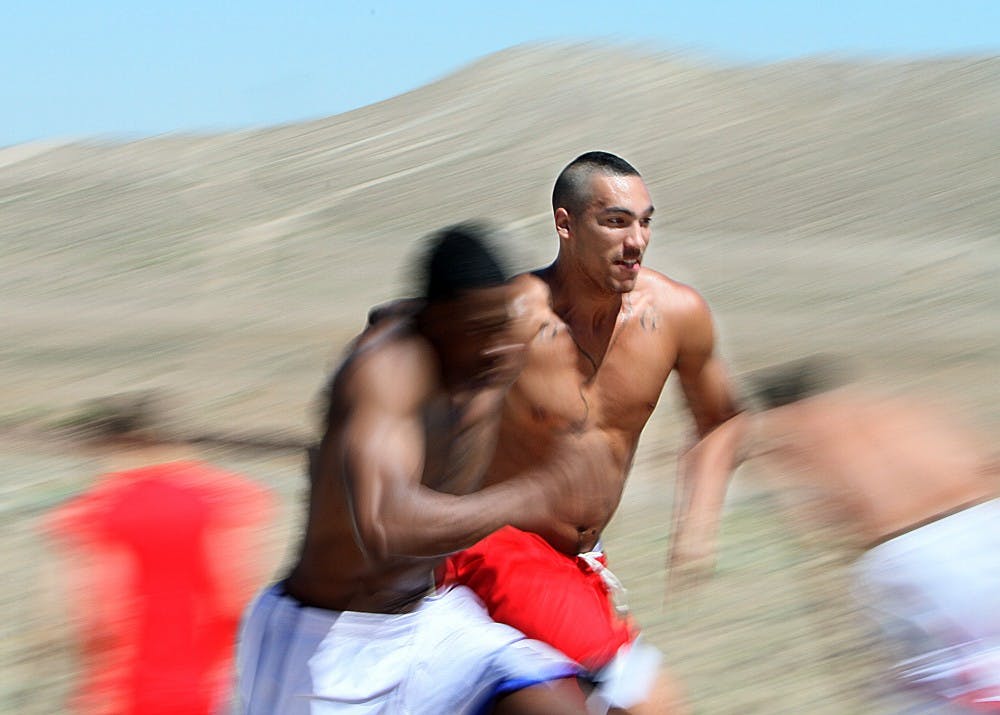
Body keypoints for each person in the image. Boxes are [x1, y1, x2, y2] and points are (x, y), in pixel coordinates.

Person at [233, 223, 608, 715]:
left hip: (425, 624)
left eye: (500, 326)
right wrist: (528, 495)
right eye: (475, 331)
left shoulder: (497, 350)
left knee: (554, 705)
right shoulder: (387, 372)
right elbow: (387, 526)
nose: (496, 347)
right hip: (324, 642)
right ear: (433, 325)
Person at [433, 152, 741, 714]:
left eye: (645, 221)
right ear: (566, 224)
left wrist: (697, 524)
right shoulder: (515, 319)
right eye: (616, 221)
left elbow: (722, 421)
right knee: (648, 698)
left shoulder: (676, 315)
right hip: (500, 545)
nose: (637, 240)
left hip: (580, 560)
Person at [669, 357, 1000, 712]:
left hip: (912, 555)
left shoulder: (792, 430)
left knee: (935, 691)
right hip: (986, 523)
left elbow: (813, 518)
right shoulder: (907, 409)